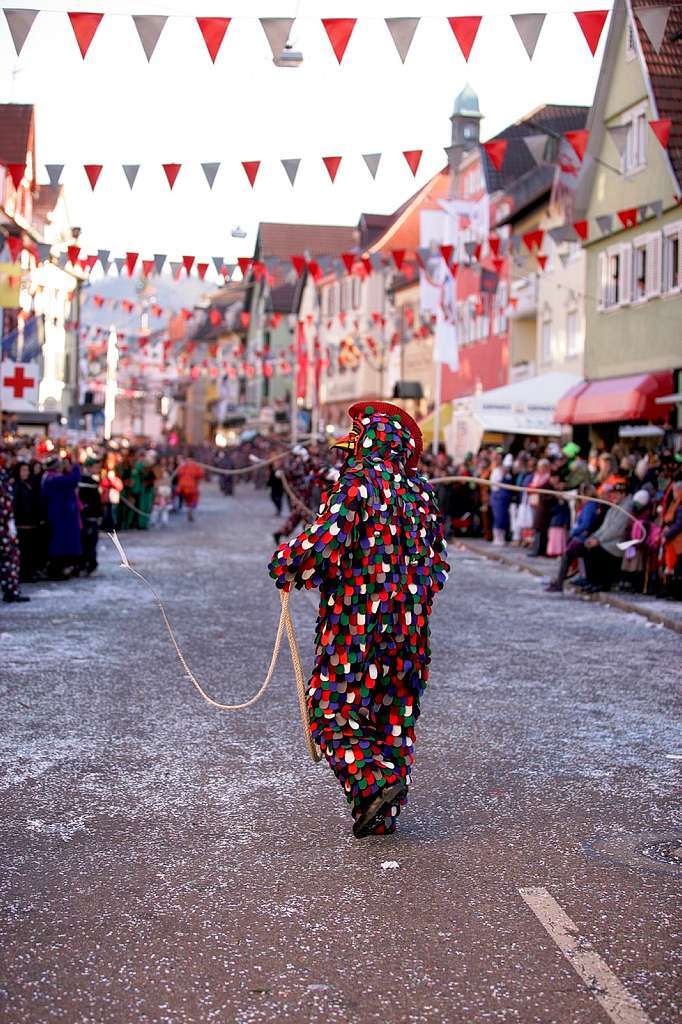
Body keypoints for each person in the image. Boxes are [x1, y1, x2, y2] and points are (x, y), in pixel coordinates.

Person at [269, 401, 449, 839]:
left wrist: (286, 562)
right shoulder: (423, 493)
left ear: (368, 442)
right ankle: (380, 813)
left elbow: (324, 546)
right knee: (393, 715)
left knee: (331, 710)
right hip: (411, 633)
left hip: (357, 625)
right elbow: (438, 565)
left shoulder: (357, 486)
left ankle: (377, 783)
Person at [41, 453, 82, 579]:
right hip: (59, 516)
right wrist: (75, 466)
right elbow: (73, 480)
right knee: (58, 546)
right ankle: (56, 571)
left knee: (59, 545)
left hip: (58, 515)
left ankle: (59, 569)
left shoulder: (49, 477)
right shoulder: (54, 479)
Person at [0, 454, 29, 603]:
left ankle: (11, 590)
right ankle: (10, 590)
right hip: (3, 527)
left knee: (10, 560)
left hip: (7, 526)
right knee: (8, 560)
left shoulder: (5, 479)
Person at [13, 461, 41, 581]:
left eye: (27, 470)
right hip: (20, 525)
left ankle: (29, 572)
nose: (25, 473)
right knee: (22, 551)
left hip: (31, 524)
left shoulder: (30, 485)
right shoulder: (16, 486)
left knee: (30, 551)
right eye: (23, 470)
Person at [659, 479, 682, 601]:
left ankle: (675, 592)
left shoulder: (680, 505)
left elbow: (679, 524)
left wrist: (667, 534)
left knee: (676, 569)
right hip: (673, 541)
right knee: (671, 567)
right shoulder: (676, 504)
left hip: (677, 542)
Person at [79, 458, 103, 574]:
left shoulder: (91, 481)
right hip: (88, 516)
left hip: (89, 516)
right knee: (89, 542)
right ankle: (88, 564)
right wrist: (98, 515)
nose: (97, 469)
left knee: (89, 542)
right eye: (95, 466)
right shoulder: (86, 482)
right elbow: (94, 502)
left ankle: (88, 563)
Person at [175, 453, 204, 522]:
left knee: (187, 500)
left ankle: (189, 509)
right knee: (193, 500)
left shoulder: (183, 466)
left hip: (183, 487)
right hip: (192, 487)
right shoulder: (195, 466)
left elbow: (179, 474)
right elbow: (200, 474)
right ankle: (190, 510)